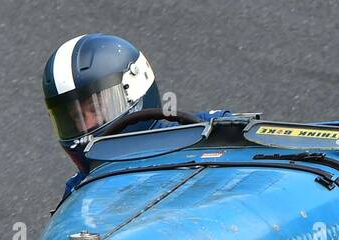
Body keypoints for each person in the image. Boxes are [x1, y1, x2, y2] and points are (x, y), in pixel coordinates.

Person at [43, 33, 229, 196]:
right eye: (77, 117)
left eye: (96, 108)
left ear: (135, 87)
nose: (88, 123)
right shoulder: (79, 189)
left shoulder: (215, 128)